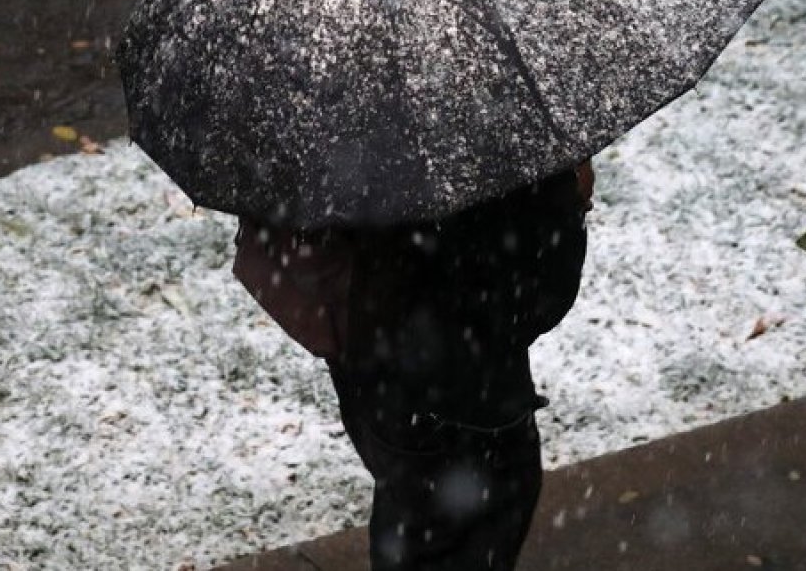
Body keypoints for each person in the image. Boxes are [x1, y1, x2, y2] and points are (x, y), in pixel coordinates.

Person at [232, 161, 594, 570]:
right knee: (470, 523)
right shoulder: (494, 145)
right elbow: (540, 294)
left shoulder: (346, 133)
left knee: (412, 508)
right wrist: (570, 200)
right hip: (465, 386)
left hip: (369, 354)